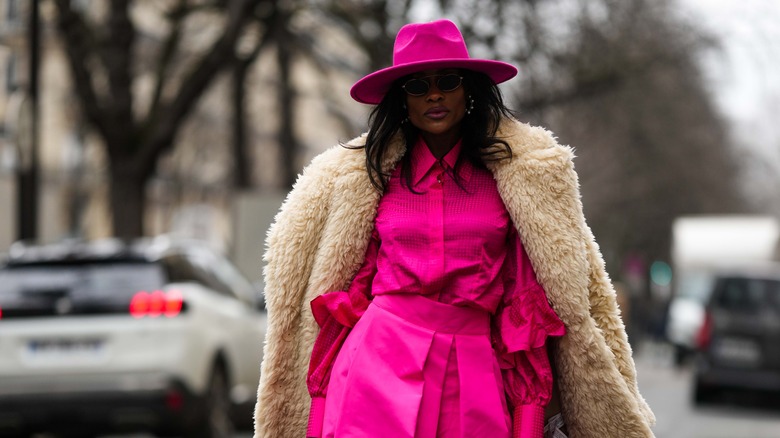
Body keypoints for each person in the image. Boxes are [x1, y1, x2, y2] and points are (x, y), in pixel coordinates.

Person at [254, 19, 655, 438]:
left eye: (447, 80)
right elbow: (350, 288)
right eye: (416, 85)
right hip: (377, 360)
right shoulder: (374, 181)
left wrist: (530, 419)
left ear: (468, 91)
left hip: (473, 367)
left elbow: (524, 302)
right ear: (402, 100)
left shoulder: (511, 181)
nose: (433, 94)